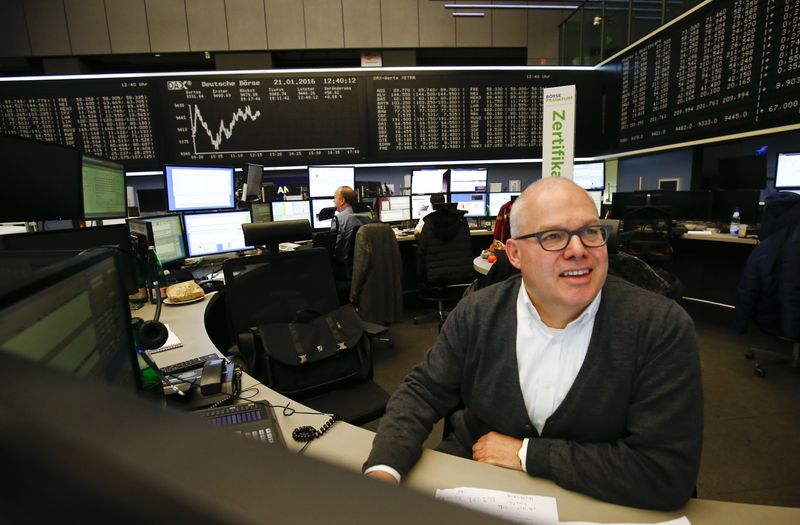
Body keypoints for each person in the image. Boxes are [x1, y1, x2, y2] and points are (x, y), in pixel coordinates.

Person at [363, 177, 703, 511]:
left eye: (590, 232)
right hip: (478, 477)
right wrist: (383, 469)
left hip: (598, 500)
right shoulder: (479, 311)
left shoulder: (659, 326)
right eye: (553, 236)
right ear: (515, 253)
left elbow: (665, 474)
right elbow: (421, 392)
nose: (578, 250)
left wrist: (528, 454)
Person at [331, 186, 371, 267]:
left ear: (342, 201)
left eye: (335, 198)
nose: (333, 201)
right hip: (362, 264)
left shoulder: (338, 219)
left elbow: (334, 247)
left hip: (343, 266)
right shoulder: (366, 218)